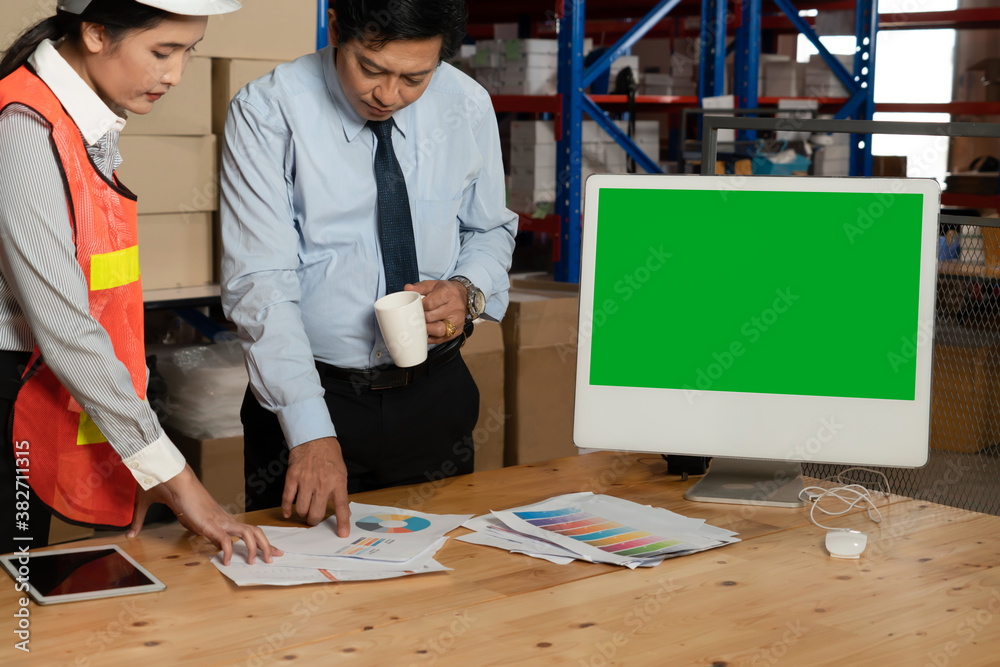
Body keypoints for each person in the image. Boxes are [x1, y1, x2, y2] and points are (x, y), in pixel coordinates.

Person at [221, 0, 517, 535]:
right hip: (314, 398)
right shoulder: (270, 110)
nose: (387, 95)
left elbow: (489, 228)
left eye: (414, 78)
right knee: (298, 592)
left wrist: (468, 289)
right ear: (336, 28)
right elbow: (260, 282)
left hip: (435, 394)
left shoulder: (466, 104)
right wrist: (310, 433)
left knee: (437, 589)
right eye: (372, 68)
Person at [0, 0, 280, 565]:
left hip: (44, 383)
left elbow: (103, 313)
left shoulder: (78, 121)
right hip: (18, 383)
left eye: (188, 52)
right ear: (97, 33)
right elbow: (65, 329)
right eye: (162, 51)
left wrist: (139, 463)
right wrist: (179, 481)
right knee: (12, 610)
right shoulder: (25, 127)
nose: (175, 73)